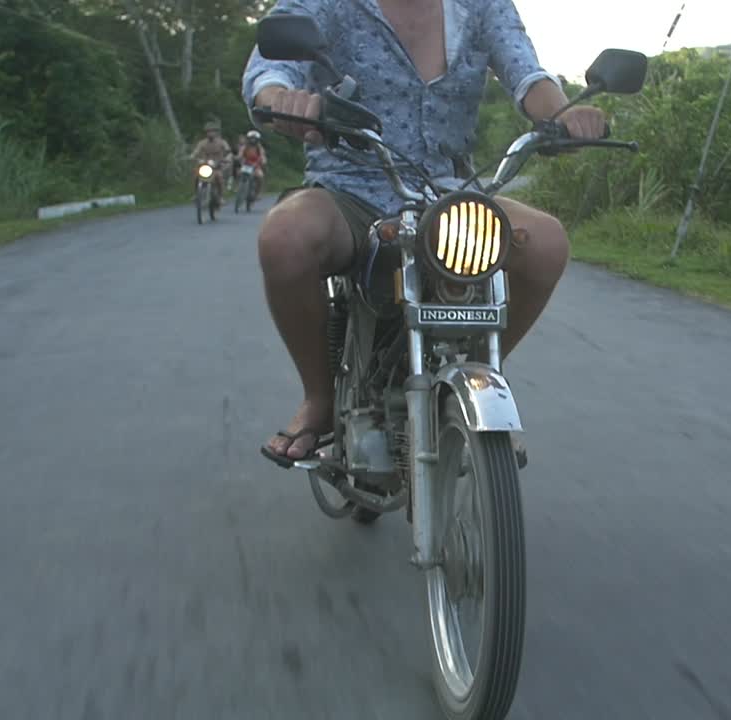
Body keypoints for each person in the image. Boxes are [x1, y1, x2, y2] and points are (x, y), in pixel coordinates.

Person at [242, 0, 607, 463]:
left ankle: (480, 379)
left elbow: (527, 74)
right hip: (348, 186)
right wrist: (281, 100)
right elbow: (269, 72)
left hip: (448, 193)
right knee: (284, 237)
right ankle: (319, 398)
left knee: (547, 242)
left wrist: (564, 116)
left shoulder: (483, 5)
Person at [190, 120, 233, 199]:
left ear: (216, 133)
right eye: (208, 131)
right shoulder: (202, 143)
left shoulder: (222, 142)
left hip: (217, 166)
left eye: (212, 131)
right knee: (196, 176)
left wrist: (227, 158)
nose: (210, 133)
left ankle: (221, 196)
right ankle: (196, 194)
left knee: (219, 177)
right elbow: (196, 151)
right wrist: (192, 156)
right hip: (205, 165)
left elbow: (228, 152)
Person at [238, 129, 268, 199]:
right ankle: (239, 187)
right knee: (239, 173)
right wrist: (239, 158)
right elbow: (240, 153)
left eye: (254, 139)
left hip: (255, 166)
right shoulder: (245, 146)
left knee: (260, 176)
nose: (253, 140)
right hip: (245, 165)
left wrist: (263, 160)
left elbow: (262, 155)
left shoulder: (259, 147)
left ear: (257, 139)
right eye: (251, 138)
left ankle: (258, 193)